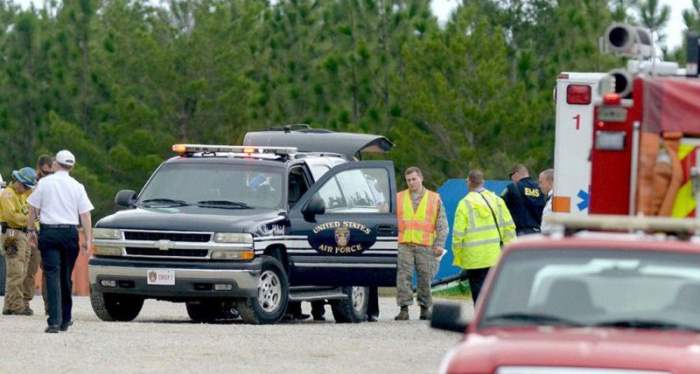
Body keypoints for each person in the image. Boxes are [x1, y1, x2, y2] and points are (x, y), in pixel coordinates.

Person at [27, 150, 94, 333]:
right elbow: (85, 214)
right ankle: (66, 319)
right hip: (70, 233)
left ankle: (54, 321)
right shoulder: (77, 186)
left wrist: (30, 229)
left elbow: (32, 207)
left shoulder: (44, 184)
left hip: (49, 233)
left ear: (56, 164)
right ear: (72, 166)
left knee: (52, 275)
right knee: (66, 276)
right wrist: (88, 238)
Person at [453, 170, 515, 305]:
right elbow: (509, 227)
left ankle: (480, 319)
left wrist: (458, 256)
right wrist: (509, 248)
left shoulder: (465, 203)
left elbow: (458, 235)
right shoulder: (497, 200)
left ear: (468, 181)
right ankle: (492, 318)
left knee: (478, 290)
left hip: (473, 258)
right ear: (483, 182)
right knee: (493, 290)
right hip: (494, 255)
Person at [395, 167, 448, 321]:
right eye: (408, 180)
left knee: (425, 277)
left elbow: (442, 224)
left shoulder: (434, 198)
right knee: (403, 276)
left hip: (425, 245)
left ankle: (425, 308)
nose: (411, 182)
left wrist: (439, 244)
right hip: (404, 243)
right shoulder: (399, 197)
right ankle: (403, 309)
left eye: (414, 179)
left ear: (421, 178)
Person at [1, 167, 38, 316]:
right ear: (18, 181)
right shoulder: (8, 195)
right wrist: (30, 220)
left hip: (22, 233)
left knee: (23, 270)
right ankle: (15, 305)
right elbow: (12, 217)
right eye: (24, 186)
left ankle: (13, 303)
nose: (26, 189)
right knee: (15, 269)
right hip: (11, 232)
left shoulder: (23, 194)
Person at [502, 164, 546, 235]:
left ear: (516, 174)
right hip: (538, 231)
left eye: (511, 176)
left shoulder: (512, 187)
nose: (511, 179)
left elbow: (500, 206)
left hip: (520, 232)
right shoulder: (540, 188)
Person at [36, 154, 54, 315]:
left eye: (51, 173)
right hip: (42, 230)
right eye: (45, 172)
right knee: (47, 269)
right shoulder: (35, 185)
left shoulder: (57, 184)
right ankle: (49, 306)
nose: (48, 176)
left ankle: (58, 304)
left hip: (58, 230)